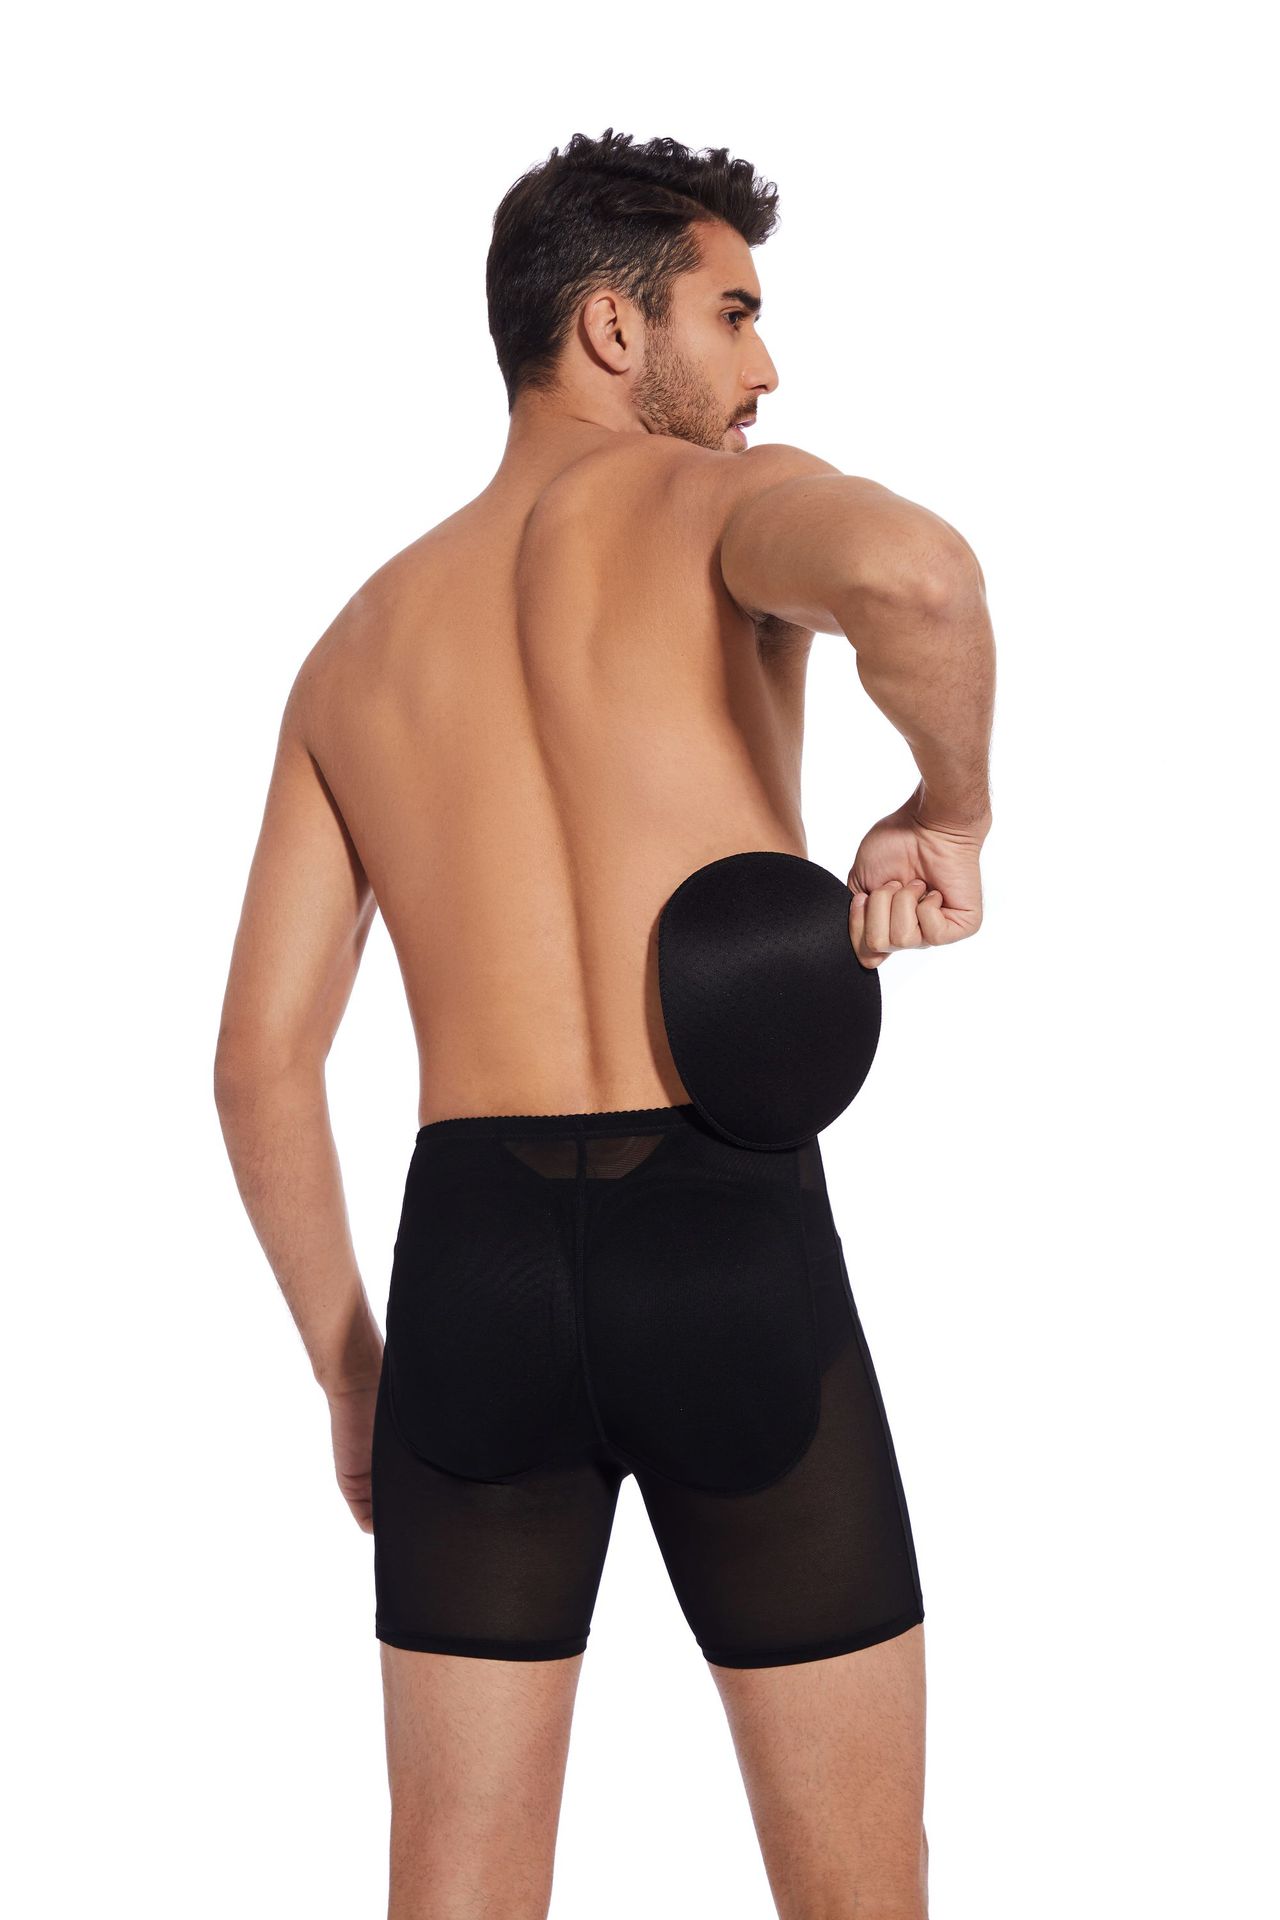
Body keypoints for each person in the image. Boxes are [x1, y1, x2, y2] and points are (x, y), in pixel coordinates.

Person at [214, 127, 995, 1920]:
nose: (767, 365)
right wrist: (949, 809)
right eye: (736, 311)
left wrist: (355, 1370)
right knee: (859, 1893)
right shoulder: (721, 506)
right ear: (615, 329)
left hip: (469, 1273)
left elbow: (258, 1062)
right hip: (720, 1237)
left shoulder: (356, 645)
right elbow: (921, 580)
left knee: (456, 1887)